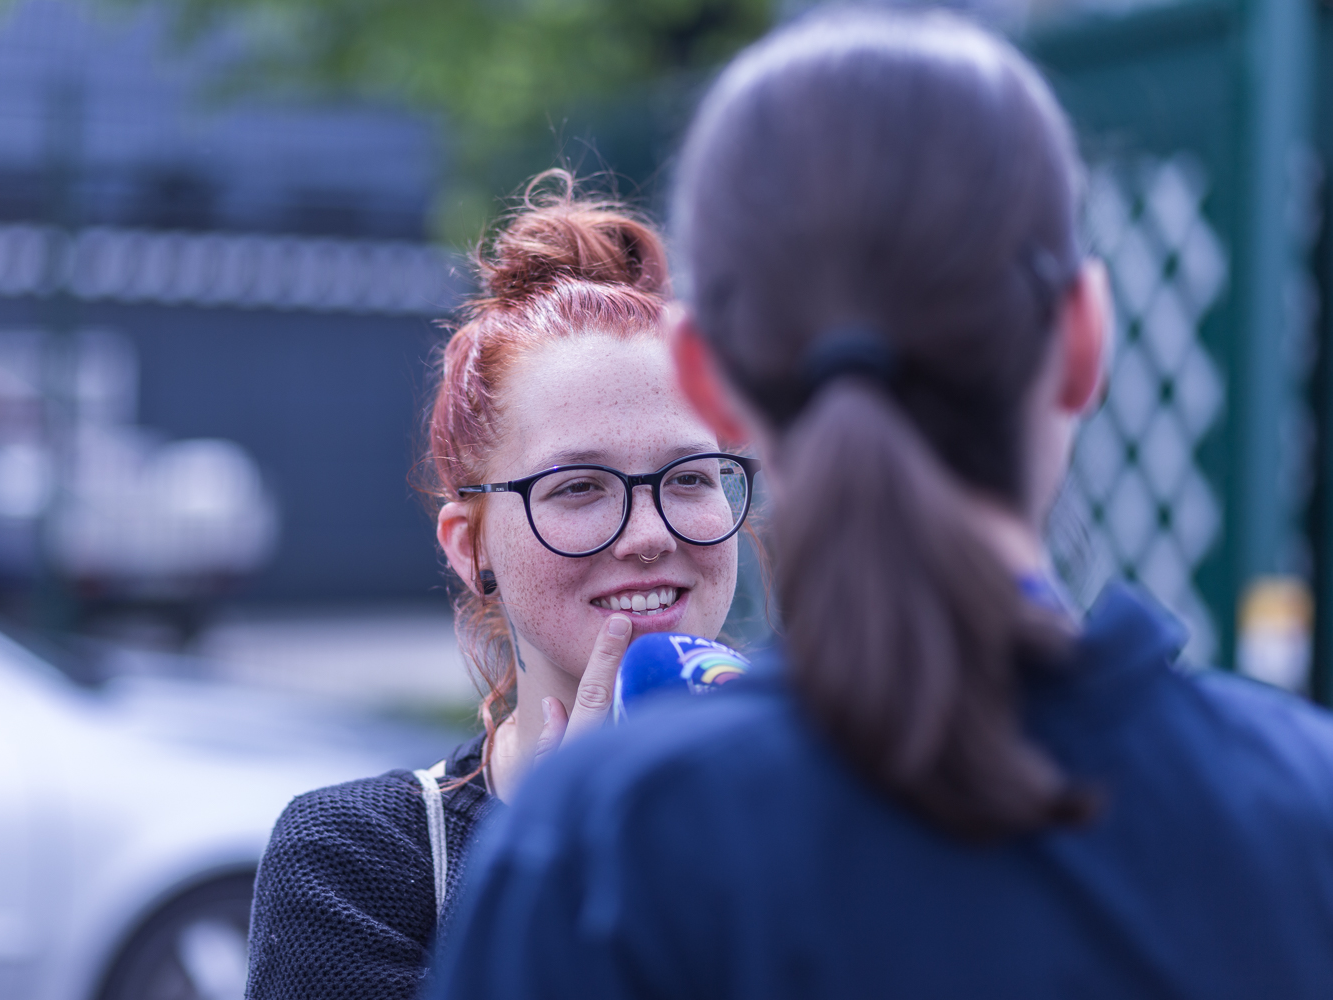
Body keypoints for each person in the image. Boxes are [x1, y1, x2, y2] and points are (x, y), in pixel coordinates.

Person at [428, 13, 1333, 999]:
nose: (644, 531)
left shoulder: (593, 857)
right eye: (577, 488)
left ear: (708, 378)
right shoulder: (1299, 805)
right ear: (1084, 337)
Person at [242, 172, 752, 1000]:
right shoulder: (359, 865)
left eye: (690, 477)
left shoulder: (842, 818)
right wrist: (563, 867)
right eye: (579, 488)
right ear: (469, 543)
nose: (651, 532)